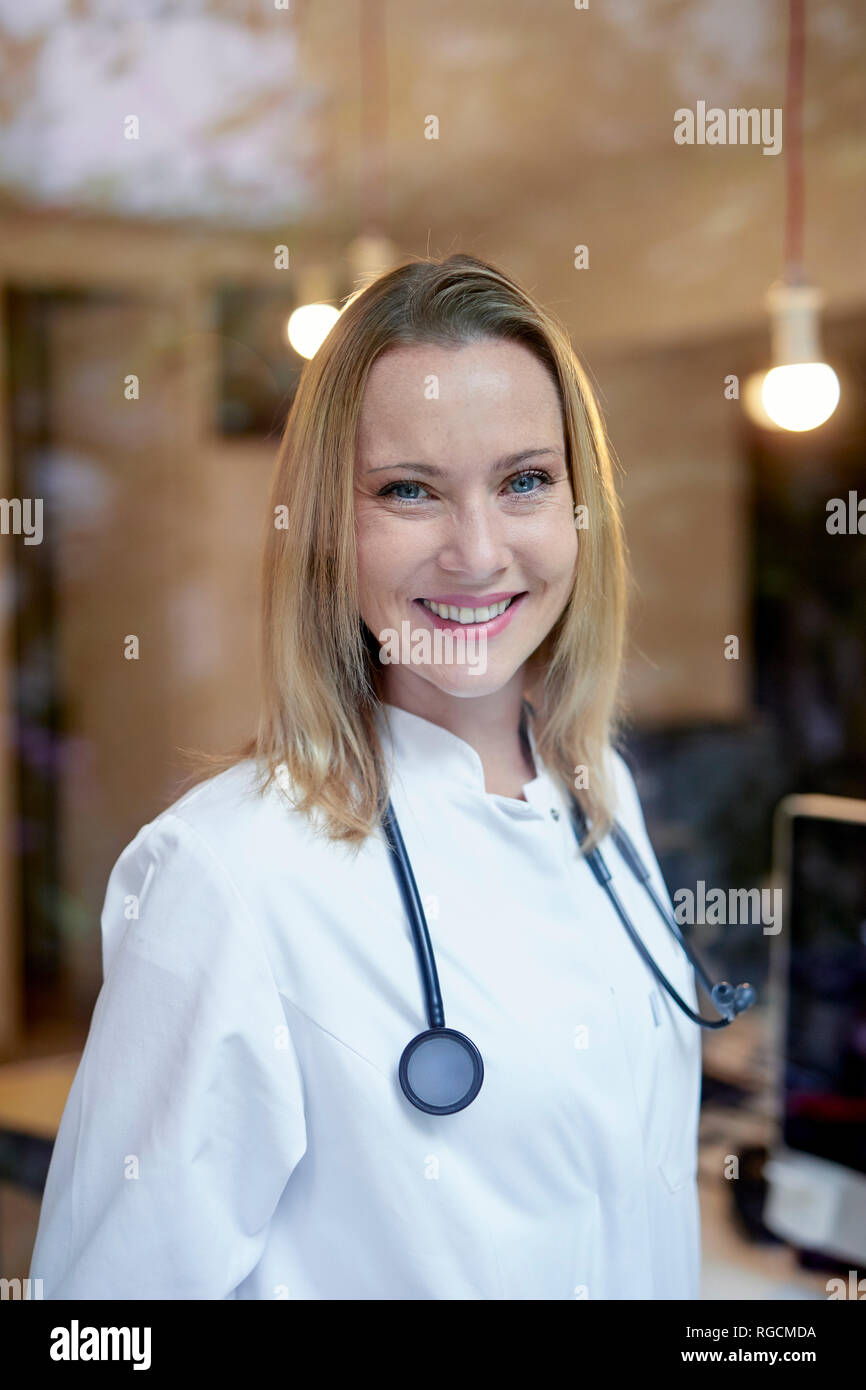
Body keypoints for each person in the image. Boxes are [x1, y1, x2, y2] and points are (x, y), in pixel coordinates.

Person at [30, 253, 701, 1300]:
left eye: (524, 479)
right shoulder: (229, 876)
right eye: (407, 492)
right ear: (326, 532)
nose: (477, 552)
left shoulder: (595, 792)